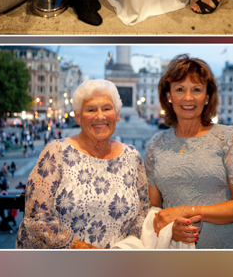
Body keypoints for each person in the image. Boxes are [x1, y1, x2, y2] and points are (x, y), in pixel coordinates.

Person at [18, 80, 150, 249]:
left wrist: (127, 247)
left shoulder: (132, 156)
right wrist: (84, 250)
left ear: (117, 114)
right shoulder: (55, 153)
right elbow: (37, 219)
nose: (100, 116)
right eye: (91, 110)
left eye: (107, 108)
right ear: (78, 117)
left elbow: (142, 212)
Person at [145, 56, 233, 249]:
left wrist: (185, 211)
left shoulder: (227, 138)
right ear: (168, 96)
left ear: (207, 97)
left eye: (196, 89)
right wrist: (170, 229)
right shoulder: (155, 145)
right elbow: (154, 208)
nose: (188, 98)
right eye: (180, 89)